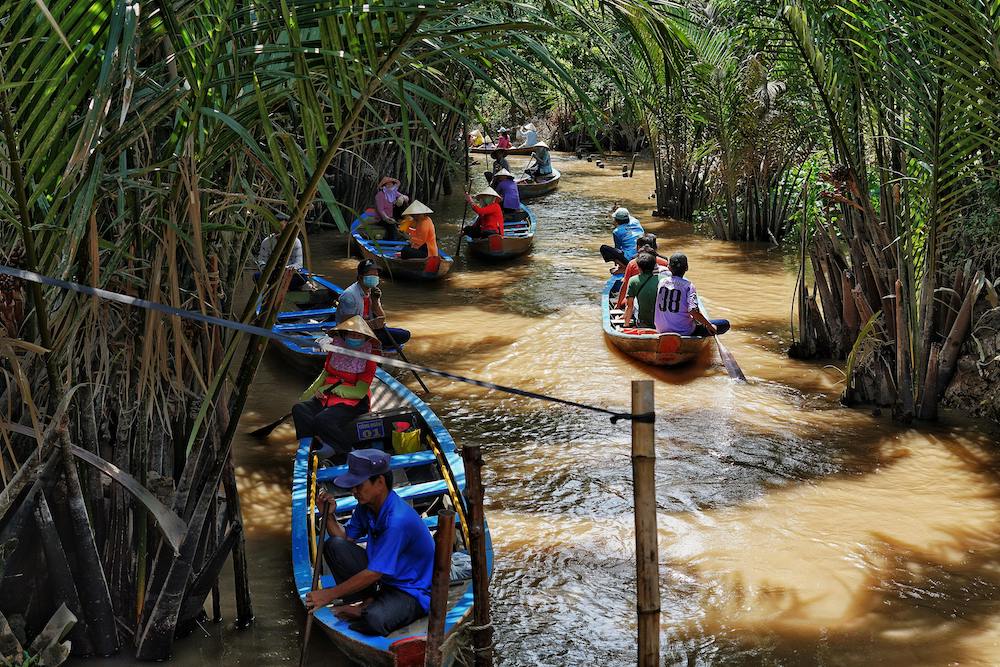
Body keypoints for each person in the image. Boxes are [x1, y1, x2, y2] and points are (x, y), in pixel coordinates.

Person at [305, 449, 435, 636]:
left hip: (411, 591)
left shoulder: (397, 521)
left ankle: (364, 609)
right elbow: (345, 538)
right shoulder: (367, 506)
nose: (354, 491)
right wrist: (328, 515)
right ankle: (365, 602)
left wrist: (329, 595)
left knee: (374, 620)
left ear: (380, 482)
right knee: (334, 546)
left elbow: (374, 573)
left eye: (358, 485)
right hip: (386, 581)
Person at [292, 317, 380, 460]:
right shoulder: (335, 351)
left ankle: (345, 449)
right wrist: (311, 392)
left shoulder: (368, 360)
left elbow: (359, 392)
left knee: (323, 419)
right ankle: (311, 443)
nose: (355, 338)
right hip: (327, 396)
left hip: (353, 402)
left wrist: (330, 389)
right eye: (352, 335)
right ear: (344, 335)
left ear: (365, 339)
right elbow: (324, 374)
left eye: (359, 336)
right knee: (299, 409)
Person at [336, 259, 412, 351]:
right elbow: (347, 324)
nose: (375, 278)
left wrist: (375, 301)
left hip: (370, 329)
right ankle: (374, 346)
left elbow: (381, 318)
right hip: (355, 333)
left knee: (404, 334)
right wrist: (370, 325)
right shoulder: (349, 296)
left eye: (376, 275)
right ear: (360, 277)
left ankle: (376, 345)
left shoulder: (372, 291)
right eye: (371, 275)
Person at [654, 253, 731, 337]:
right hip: (684, 331)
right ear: (686, 268)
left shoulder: (661, 282)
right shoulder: (689, 286)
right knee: (724, 324)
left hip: (661, 329)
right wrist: (709, 325)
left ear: (669, 268)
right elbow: (693, 311)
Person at [615, 233, 669, 308]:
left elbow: (625, 285)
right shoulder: (664, 262)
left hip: (638, 301)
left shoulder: (633, 263)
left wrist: (618, 304)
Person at [255, 213, 306, 289]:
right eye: (275, 227)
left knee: (303, 278)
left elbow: (299, 263)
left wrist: (286, 269)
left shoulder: (295, 241)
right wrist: (267, 268)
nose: (277, 230)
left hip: (288, 274)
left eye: (280, 227)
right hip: (272, 273)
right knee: (256, 277)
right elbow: (261, 260)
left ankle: (281, 287)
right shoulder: (267, 241)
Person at [600, 205, 645, 274]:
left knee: (604, 248)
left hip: (630, 259)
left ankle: (624, 268)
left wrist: (617, 263)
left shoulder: (617, 231)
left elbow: (617, 248)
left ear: (616, 220)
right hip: (643, 255)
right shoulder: (636, 222)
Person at [622, 252, 661, 330]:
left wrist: (626, 325)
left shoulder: (633, 280)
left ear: (639, 267)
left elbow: (630, 306)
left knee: (635, 301)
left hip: (643, 324)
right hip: (661, 323)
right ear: (654, 266)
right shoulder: (663, 279)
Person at [373, 177, 410, 241]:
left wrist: (402, 197)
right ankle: (392, 240)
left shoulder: (394, 192)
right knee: (391, 225)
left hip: (392, 216)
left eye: (391, 184)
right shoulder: (380, 195)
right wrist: (387, 218)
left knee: (401, 203)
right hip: (381, 218)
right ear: (383, 186)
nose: (390, 186)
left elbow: (407, 198)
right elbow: (380, 210)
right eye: (387, 184)